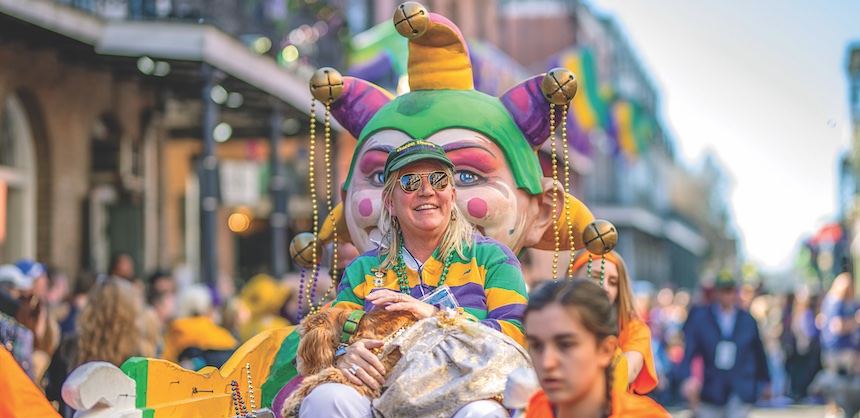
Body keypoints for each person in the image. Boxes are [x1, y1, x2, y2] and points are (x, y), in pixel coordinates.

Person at [299, 139, 529, 417]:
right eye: (410, 182)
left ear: (452, 195)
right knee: (327, 397)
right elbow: (333, 333)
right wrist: (345, 356)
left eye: (438, 180)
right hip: (383, 394)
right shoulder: (363, 269)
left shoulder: (491, 257)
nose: (427, 191)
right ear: (390, 202)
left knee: (482, 414)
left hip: (465, 393)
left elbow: (517, 335)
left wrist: (434, 316)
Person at [523, 279, 669, 417]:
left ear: (605, 350)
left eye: (565, 345)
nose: (547, 362)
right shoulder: (531, 410)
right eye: (537, 346)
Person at [679, 271, 770, 418]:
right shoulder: (702, 320)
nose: (726, 296)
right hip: (712, 388)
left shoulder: (747, 320)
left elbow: (759, 352)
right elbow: (689, 351)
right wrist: (687, 377)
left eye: (729, 291)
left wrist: (765, 380)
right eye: (723, 291)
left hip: (740, 386)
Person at [571, 250, 657, 395]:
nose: (604, 288)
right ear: (572, 279)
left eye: (612, 282)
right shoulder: (554, 321)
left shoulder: (634, 329)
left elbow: (628, 372)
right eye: (595, 277)